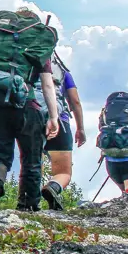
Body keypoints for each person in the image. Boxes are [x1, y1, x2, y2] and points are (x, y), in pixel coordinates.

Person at [0, 8, 60, 212]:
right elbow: (47, 85)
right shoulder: (34, 43)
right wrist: (53, 116)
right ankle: (28, 204)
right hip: (28, 107)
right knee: (31, 158)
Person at [38, 55, 86, 210]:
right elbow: (75, 102)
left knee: (32, 167)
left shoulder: (24, 66)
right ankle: (53, 186)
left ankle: (29, 202)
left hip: (31, 117)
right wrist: (81, 128)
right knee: (63, 172)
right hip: (59, 121)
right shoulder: (62, 72)